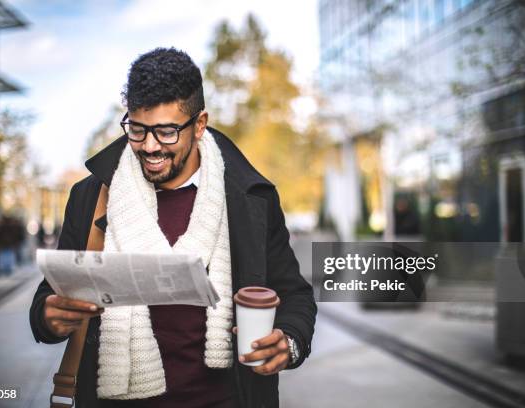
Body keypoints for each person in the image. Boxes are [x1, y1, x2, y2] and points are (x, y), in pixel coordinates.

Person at [29, 47, 317, 408]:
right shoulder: (92, 196)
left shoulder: (249, 198)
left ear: (199, 125)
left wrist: (289, 342)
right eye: (137, 129)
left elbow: (294, 294)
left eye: (166, 132)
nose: (149, 146)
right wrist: (48, 317)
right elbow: (48, 299)